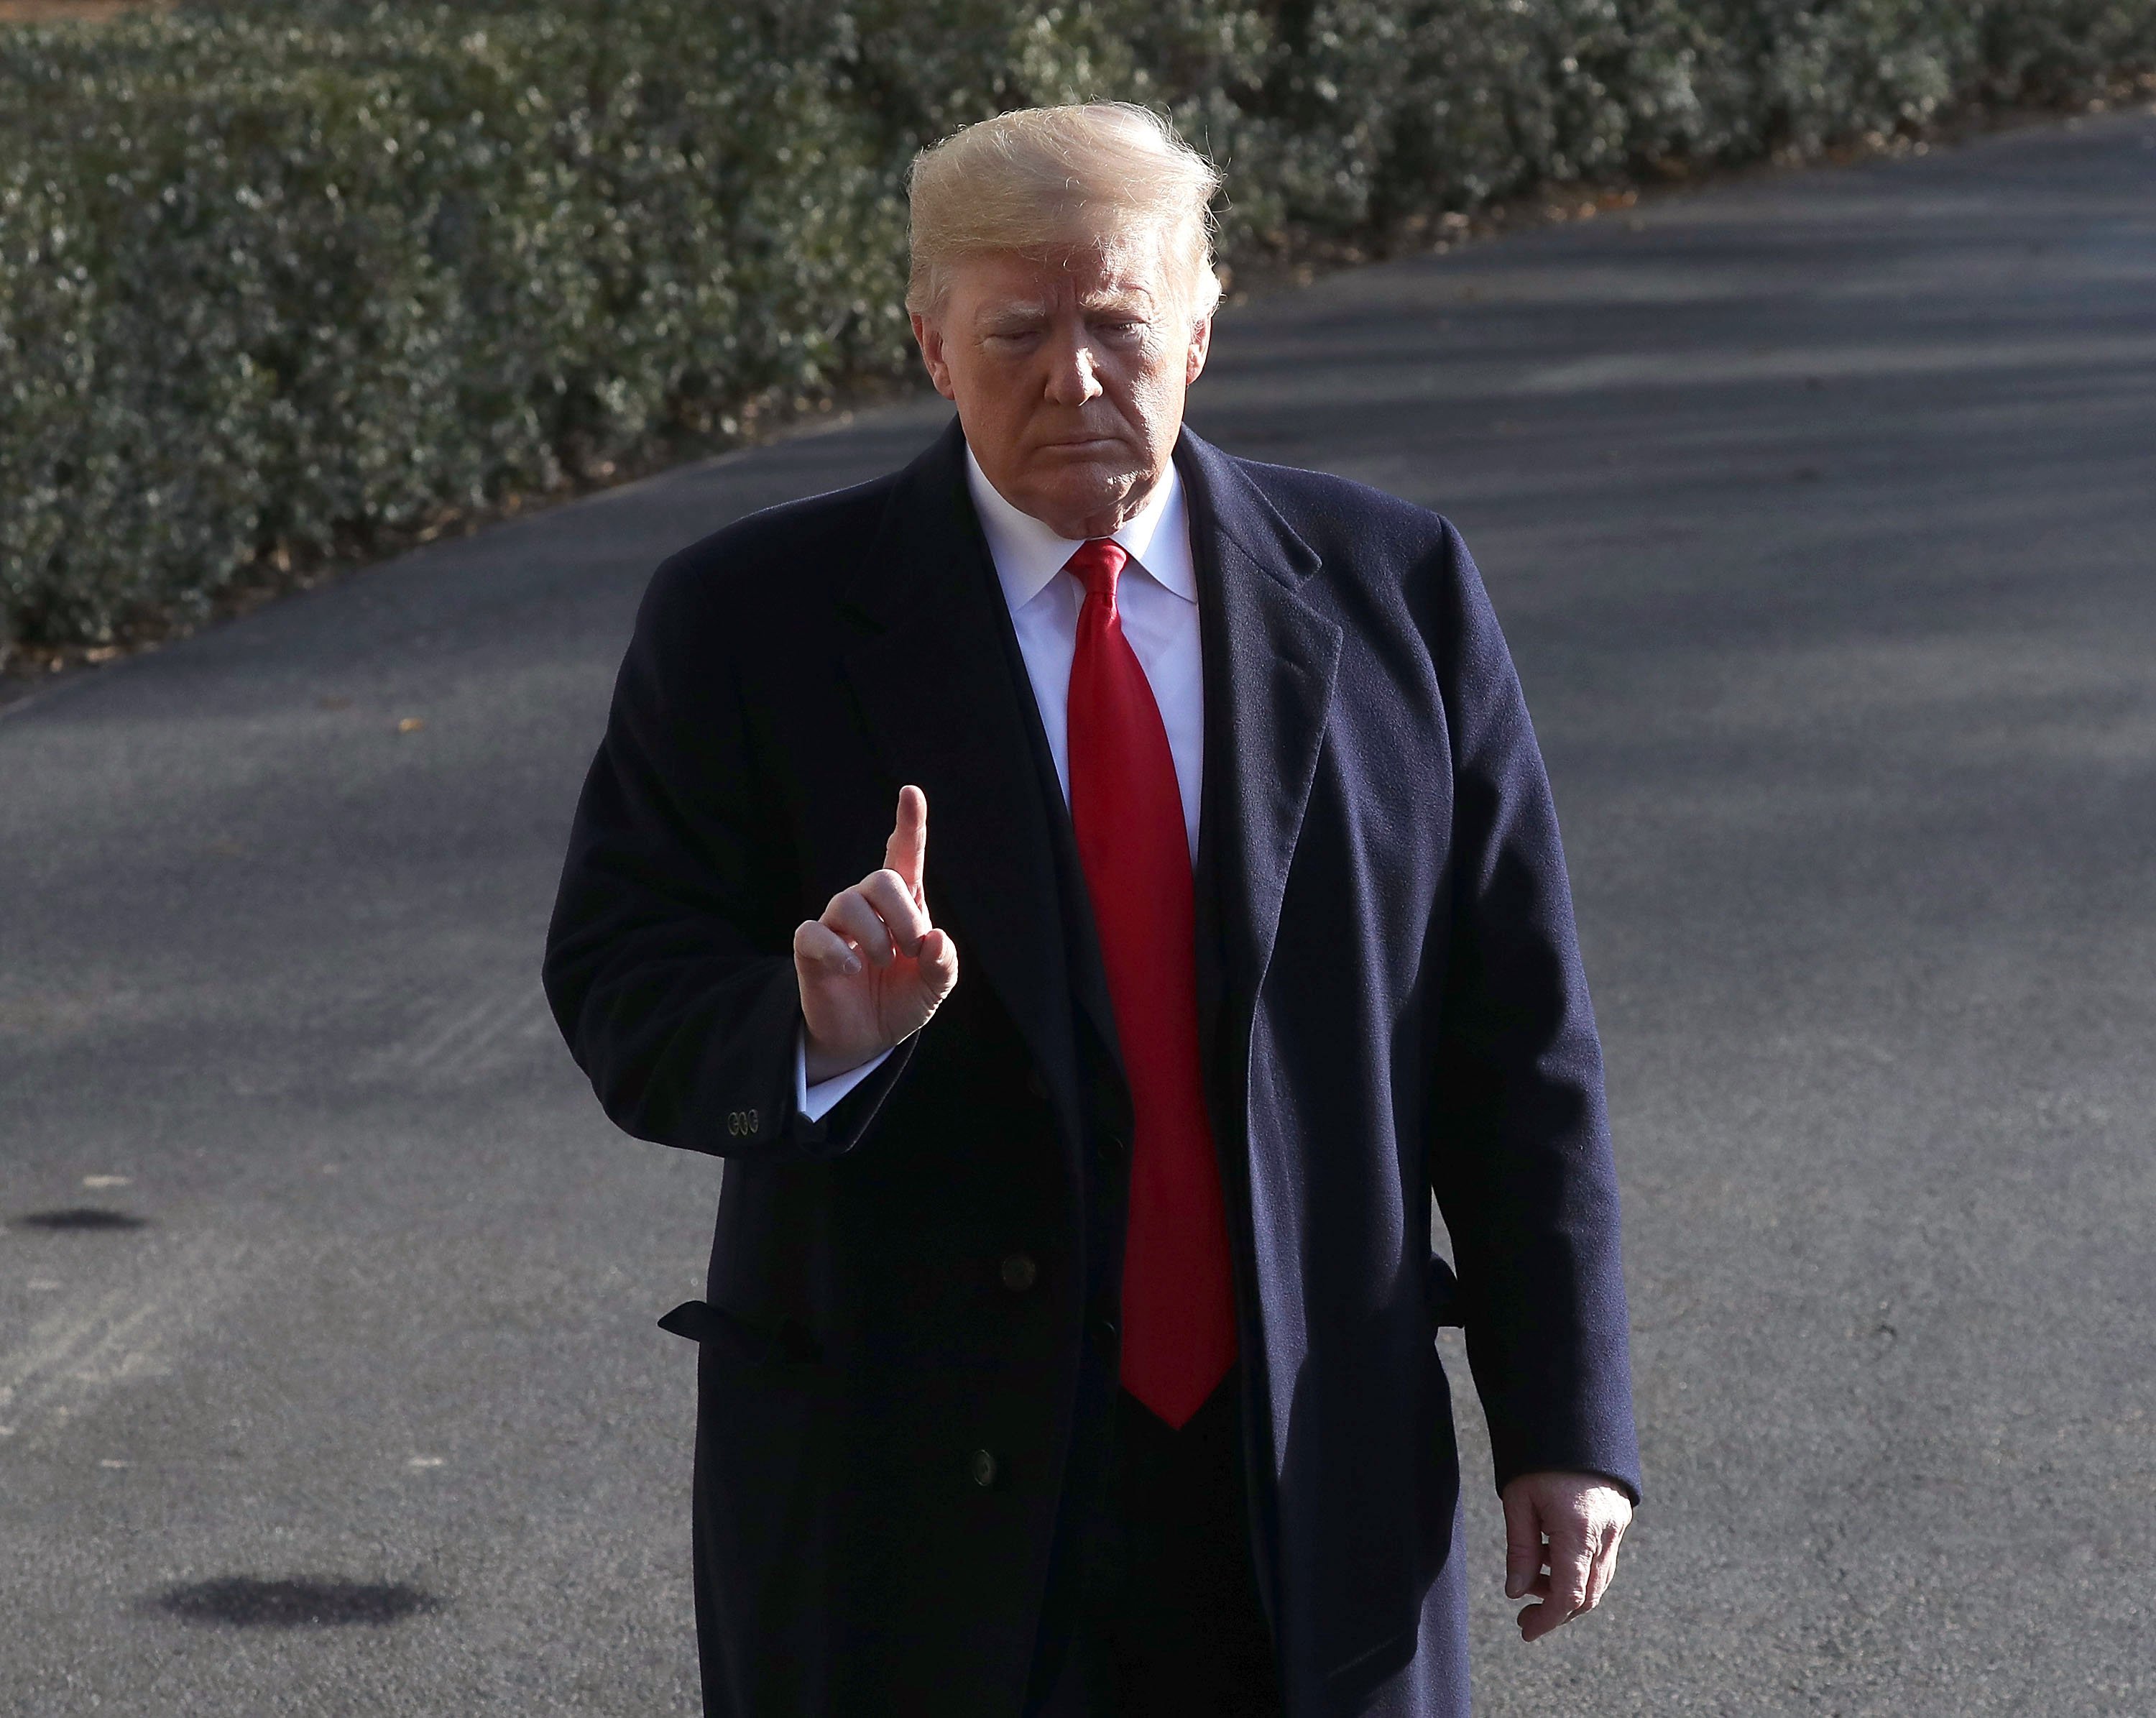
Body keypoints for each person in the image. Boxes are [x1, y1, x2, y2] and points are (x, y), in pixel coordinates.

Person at [543, 101, 1639, 1718]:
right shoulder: (751, 621)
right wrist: (809, 1029)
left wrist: (1564, 1422)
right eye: (1016, 329)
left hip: (1305, 1475)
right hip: (906, 1498)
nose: (1074, 373)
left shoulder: (1397, 591)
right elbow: (618, 974)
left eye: (1120, 322)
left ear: (1201, 325)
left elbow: (1517, 1037)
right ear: (929, 341)